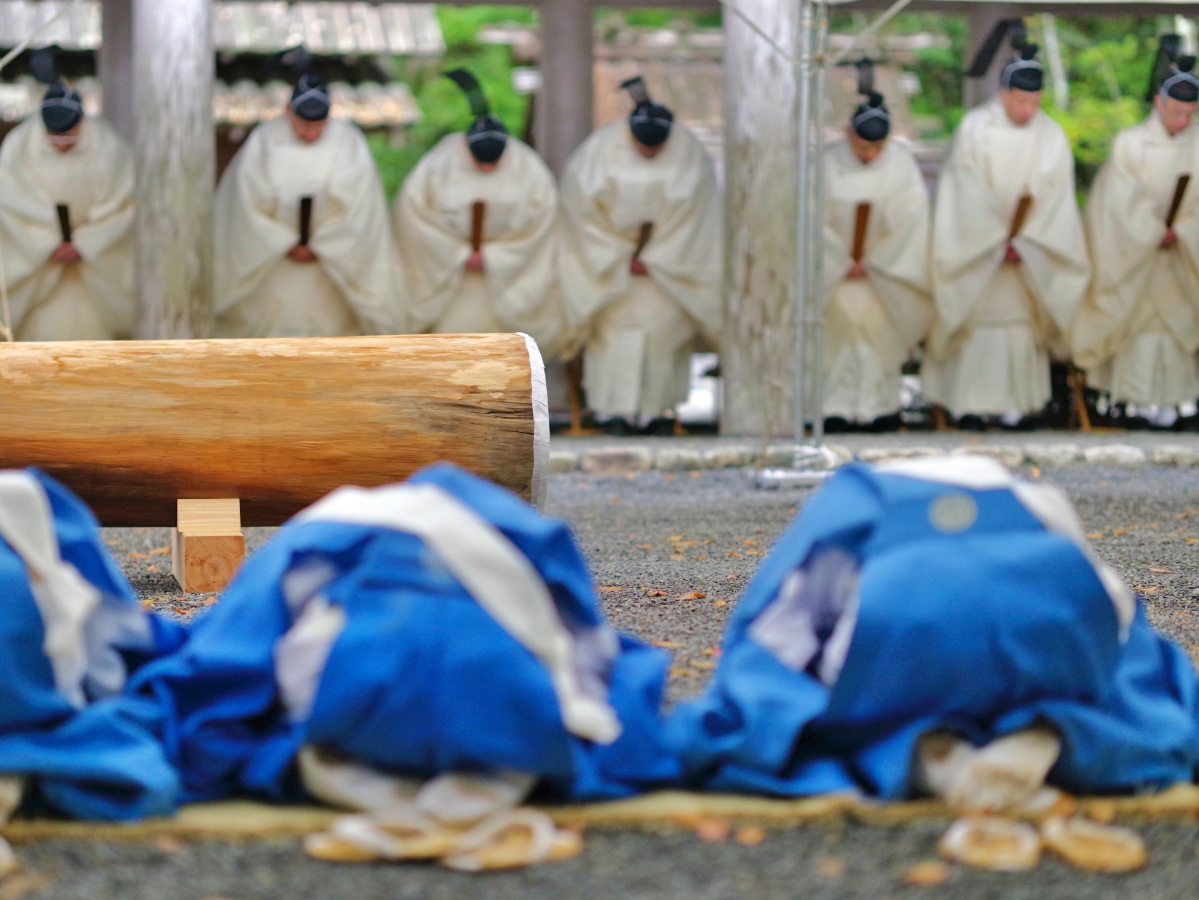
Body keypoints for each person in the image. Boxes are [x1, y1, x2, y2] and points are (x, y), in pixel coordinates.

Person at [128, 463, 678, 868]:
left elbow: (220, 667)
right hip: (509, 698)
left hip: (346, 684)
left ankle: (354, 754)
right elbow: (594, 653)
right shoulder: (519, 528)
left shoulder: (320, 530)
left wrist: (241, 749)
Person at [669, 455, 1199, 807]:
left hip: (898, 615)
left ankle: (919, 752)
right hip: (1047, 603)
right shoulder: (1028, 496)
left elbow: (771, 638)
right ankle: (1056, 734)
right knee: (1135, 684)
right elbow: (1118, 616)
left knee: (790, 706)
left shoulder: (850, 498)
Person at [922, 42, 1090, 429]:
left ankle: (1020, 406)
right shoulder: (975, 129)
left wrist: (1028, 242)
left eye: (1035, 102)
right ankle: (968, 405)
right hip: (979, 254)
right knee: (977, 323)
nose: (1028, 109)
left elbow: (1056, 198)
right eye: (1021, 101)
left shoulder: (1051, 135)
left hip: (1030, 255)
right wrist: (995, 238)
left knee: (1019, 325)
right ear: (1003, 95)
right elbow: (964, 191)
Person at [558, 77, 722, 435]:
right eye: (642, 145)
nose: (649, 153)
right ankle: (610, 412)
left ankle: (660, 411)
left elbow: (700, 215)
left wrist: (659, 255)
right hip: (611, 269)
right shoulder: (599, 150)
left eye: (657, 147)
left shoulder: (689, 152)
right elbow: (579, 210)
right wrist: (617, 253)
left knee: (663, 339)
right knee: (612, 340)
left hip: (667, 271)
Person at [213, 72, 401, 338]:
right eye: (303, 126)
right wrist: (285, 241)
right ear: (289, 111)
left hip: (331, 263)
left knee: (328, 330)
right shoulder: (264, 140)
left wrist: (323, 242)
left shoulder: (349, 141)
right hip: (272, 259)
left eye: (319, 126)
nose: (311, 134)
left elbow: (361, 205)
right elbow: (244, 199)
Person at [392, 70, 563, 356]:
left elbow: (543, 223)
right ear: (465, 144)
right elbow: (413, 215)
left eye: (493, 163)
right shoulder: (439, 164)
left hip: (506, 276)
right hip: (450, 277)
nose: (486, 169)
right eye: (479, 161)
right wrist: (455, 253)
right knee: (452, 350)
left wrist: (497, 257)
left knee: (501, 353)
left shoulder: (528, 168)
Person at [1073, 54, 1199, 430]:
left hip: (1184, 260)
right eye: (1176, 111)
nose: (1183, 120)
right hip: (1137, 259)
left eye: (1190, 113)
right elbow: (1115, 202)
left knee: (1179, 328)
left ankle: (1179, 404)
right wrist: (1150, 229)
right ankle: (1138, 405)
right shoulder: (1130, 144)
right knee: (1141, 328)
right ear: (1159, 103)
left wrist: (1186, 231)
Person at [822, 89, 932, 433]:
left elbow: (912, 219)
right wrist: (840, 259)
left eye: (877, 147)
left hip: (884, 275)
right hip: (833, 276)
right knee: (835, 340)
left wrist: (877, 259)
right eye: (862, 146)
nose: (869, 154)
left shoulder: (901, 164)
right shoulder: (824, 163)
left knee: (878, 339)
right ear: (848, 134)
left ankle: (882, 408)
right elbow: (811, 219)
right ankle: (833, 409)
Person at [0, 83, 134, 340]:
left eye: (69, 136)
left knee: (92, 336)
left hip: (93, 267)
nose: (61, 146)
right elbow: (10, 201)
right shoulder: (19, 144)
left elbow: (123, 203)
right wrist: (44, 243)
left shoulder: (109, 146)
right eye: (53, 137)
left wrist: (87, 243)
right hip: (40, 263)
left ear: (82, 121)